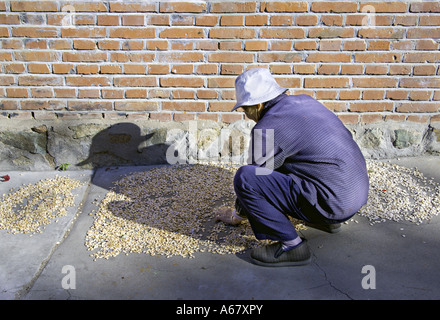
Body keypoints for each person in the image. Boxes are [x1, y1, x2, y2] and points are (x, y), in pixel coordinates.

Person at [215, 68, 369, 267]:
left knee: (245, 177)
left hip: (333, 203)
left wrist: (237, 215)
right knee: (289, 160)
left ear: (258, 105)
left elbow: (255, 177)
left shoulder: (266, 128)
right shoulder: (307, 102)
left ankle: (292, 246)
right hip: (355, 195)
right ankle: (327, 221)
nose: (246, 115)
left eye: (245, 109)